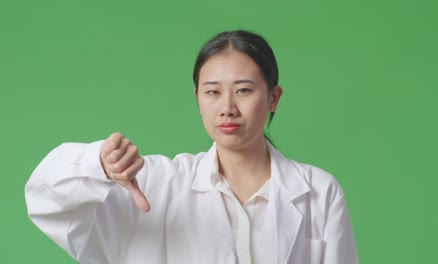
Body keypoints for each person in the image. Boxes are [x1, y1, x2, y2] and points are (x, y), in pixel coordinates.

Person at [25, 30, 359, 264]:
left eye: (243, 90)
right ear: (198, 99)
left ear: (273, 97)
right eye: (212, 92)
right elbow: (45, 201)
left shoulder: (319, 191)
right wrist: (98, 165)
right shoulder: (154, 183)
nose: (227, 107)